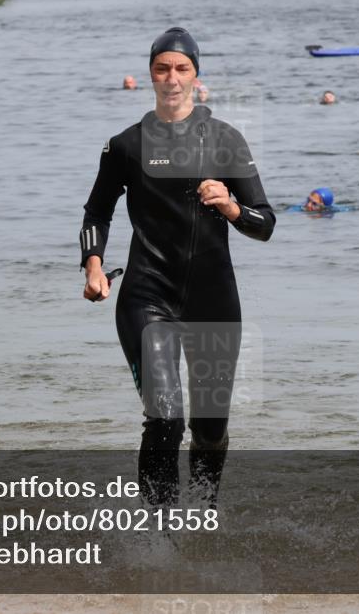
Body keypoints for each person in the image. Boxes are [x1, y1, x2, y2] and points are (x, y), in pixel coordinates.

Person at [80, 27, 274, 509]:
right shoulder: (126, 145)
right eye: (162, 68)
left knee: (210, 428)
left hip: (213, 299)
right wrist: (93, 266)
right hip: (147, 296)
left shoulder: (226, 140)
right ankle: (157, 536)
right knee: (165, 416)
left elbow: (265, 223)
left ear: (196, 75)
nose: (171, 78)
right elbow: (96, 212)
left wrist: (230, 207)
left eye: (181, 68)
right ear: (150, 74)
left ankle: (204, 514)